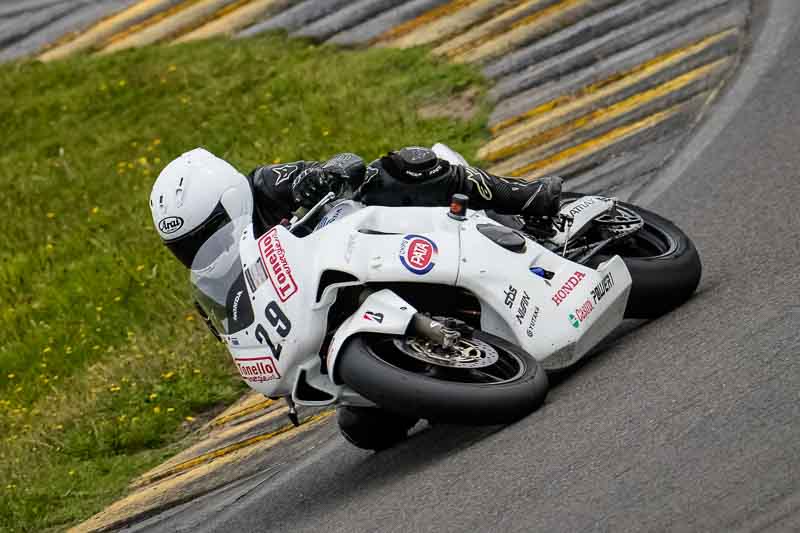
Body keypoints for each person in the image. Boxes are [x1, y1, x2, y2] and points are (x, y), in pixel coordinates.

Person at [149, 146, 562, 269]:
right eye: (187, 247)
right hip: (339, 291)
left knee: (406, 167)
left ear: (231, 201)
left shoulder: (268, 185)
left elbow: (344, 164)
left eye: (207, 233)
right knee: (363, 427)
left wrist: (323, 177)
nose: (203, 250)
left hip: (377, 234)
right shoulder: (223, 279)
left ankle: (524, 196)